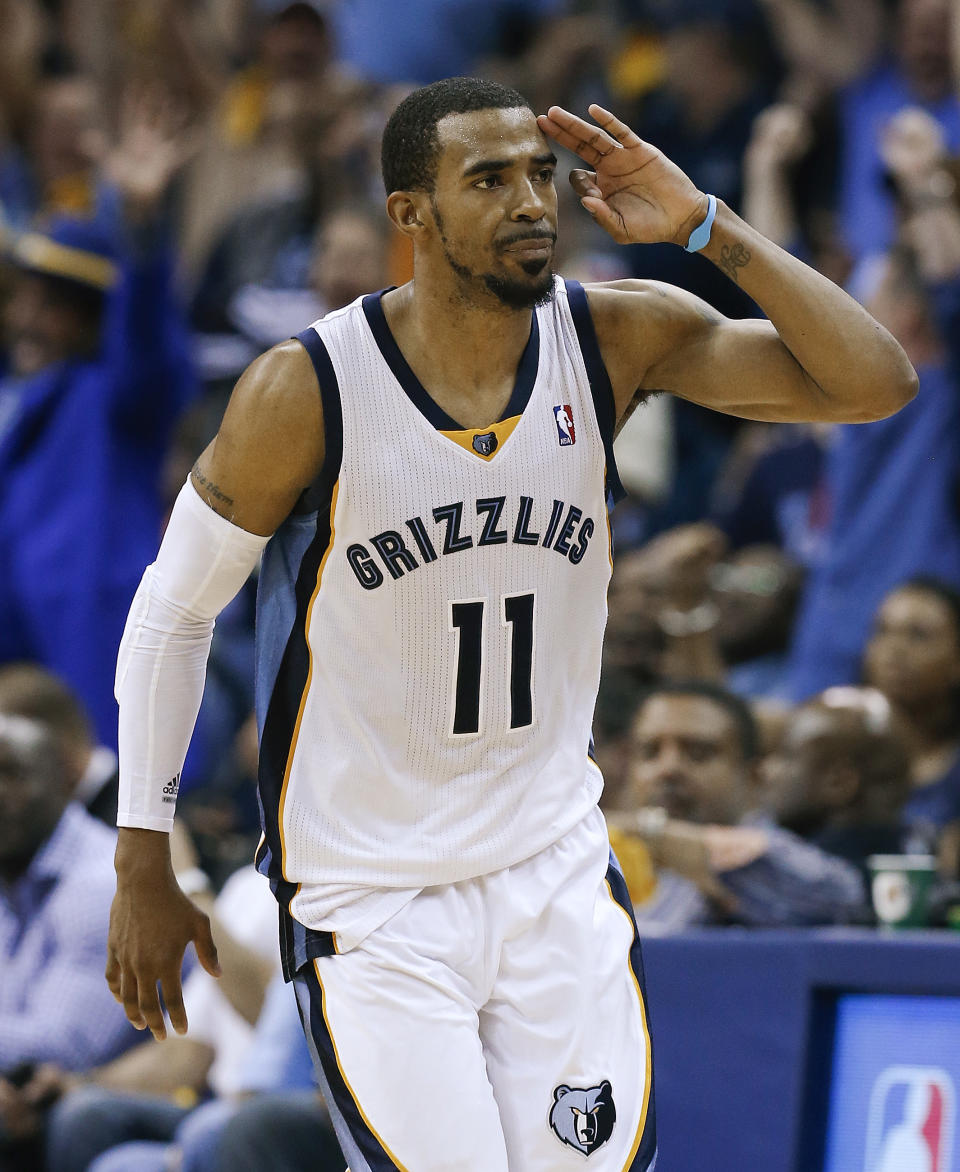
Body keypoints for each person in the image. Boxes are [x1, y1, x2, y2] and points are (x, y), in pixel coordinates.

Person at [107, 77, 915, 1172]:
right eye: (488, 179)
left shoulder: (618, 334)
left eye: (539, 174)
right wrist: (142, 856)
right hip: (375, 898)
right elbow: (172, 614)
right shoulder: (306, 389)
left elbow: (874, 382)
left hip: (553, 873)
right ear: (411, 214)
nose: (532, 201)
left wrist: (705, 226)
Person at [0, 713, 138, 1171]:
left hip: (109, 1094)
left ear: (64, 780)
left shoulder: (102, 882)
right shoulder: (13, 871)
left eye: (12, 775)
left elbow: (66, 1044)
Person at [615, 682, 867, 931]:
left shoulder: (773, 862)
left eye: (698, 753)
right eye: (650, 752)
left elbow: (844, 899)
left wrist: (654, 835)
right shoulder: (616, 863)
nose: (668, 768)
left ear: (753, 776)